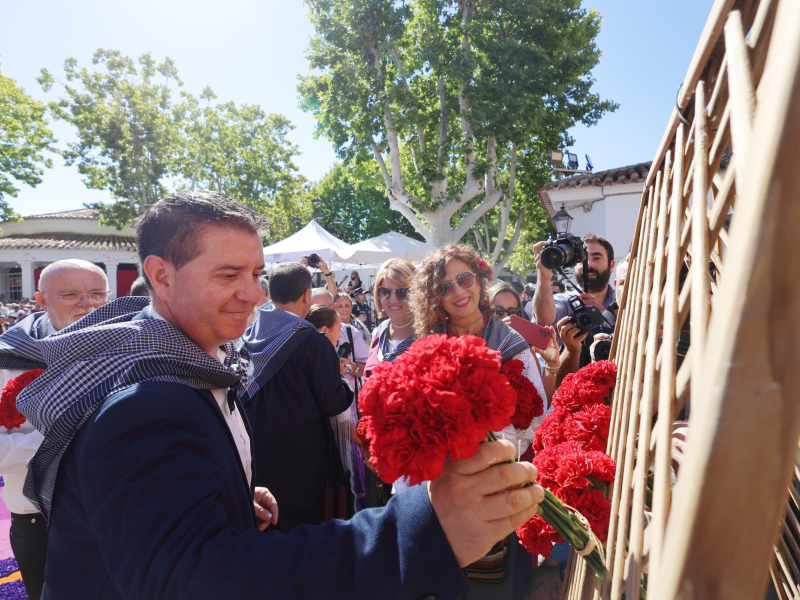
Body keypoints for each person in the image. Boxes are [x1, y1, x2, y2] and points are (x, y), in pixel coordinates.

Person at [19, 191, 543, 599]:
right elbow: (196, 582)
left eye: (255, 274)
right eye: (229, 275)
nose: (253, 294)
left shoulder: (186, 363)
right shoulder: (143, 401)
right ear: (161, 275)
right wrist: (426, 529)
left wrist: (221, 498)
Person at [410, 243, 548, 599]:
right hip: (443, 488)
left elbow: (535, 420)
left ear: (479, 280)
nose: (458, 291)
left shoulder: (509, 342)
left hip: (498, 482)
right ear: (434, 297)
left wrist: (475, 438)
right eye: (444, 286)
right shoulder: (428, 344)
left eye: (464, 278)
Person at [0, 259, 110, 600]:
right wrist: (70, 435)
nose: (87, 304)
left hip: (109, 506)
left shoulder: (127, 344)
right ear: (41, 300)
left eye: (96, 293)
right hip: (36, 513)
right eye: (70, 294)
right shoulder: (9, 357)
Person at [361, 259, 417, 506]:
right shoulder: (378, 332)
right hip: (380, 455)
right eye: (385, 291)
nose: (393, 299)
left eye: (402, 292)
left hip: (416, 456)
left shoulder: (429, 334)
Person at [532, 233, 616, 366]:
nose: (589, 264)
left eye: (596, 258)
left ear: (611, 265)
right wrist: (543, 277)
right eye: (583, 259)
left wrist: (607, 316)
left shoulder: (622, 302)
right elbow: (545, 322)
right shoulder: (563, 301)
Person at [488, 282, 559, 404]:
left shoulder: (525, 351)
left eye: (512, 312)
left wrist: (552, 364)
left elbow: (541, 404)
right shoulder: (474, 345)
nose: (506, 317)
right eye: (497, 311)